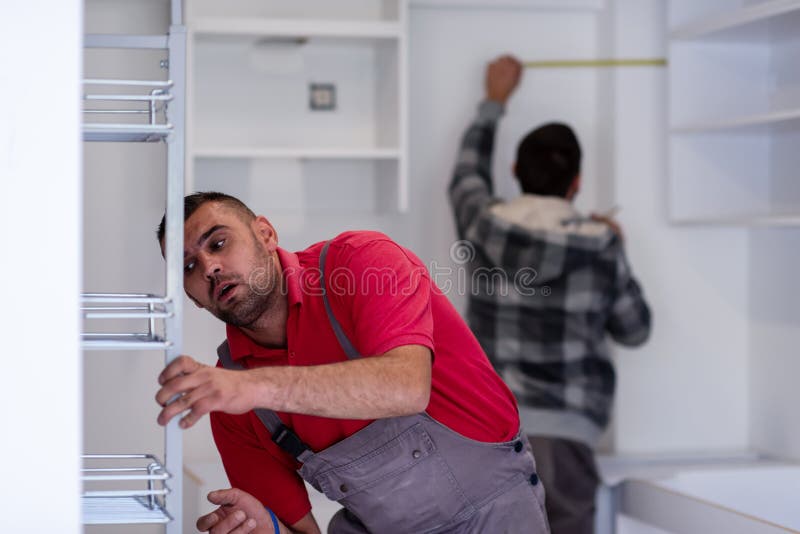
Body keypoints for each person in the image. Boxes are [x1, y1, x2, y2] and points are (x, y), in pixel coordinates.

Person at [154, 191, 551, 534]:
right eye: (189, 267)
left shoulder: (361, 264)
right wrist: (269, 527)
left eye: (218, 243)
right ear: (192, 298)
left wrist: (254, 387)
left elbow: (406, 386)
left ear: (266, 234)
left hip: (495, 514)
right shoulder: (232, 401)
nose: (209, 267)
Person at [448, 55, 652, 534]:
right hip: (567, 437)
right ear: (576, 183)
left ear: (516, 170)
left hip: (491, 428)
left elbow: (466, 176)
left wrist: (494, 102)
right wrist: (616, 246)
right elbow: (636, 330)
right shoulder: (599, 245)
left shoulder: (484, 223)